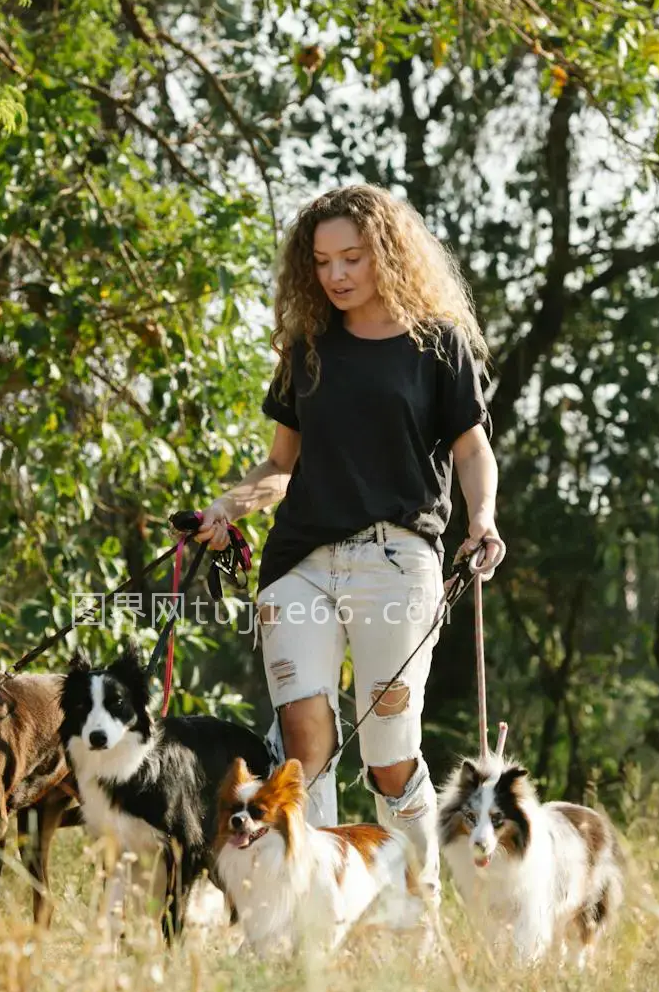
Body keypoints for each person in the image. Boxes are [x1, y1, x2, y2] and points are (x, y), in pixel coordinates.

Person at [195, 183, 505, 915]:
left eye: (353, 258)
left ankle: (413, 905)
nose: (336, 275)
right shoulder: (306, 351)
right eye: (323, 261)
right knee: (304, 739)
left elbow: (471, 447)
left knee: (389, 756)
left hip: (396, 561)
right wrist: (232, 503)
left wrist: (482, 519)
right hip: (299, 563)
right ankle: (318, 907)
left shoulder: (437, 343)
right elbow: (280, 465)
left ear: (387, 253)